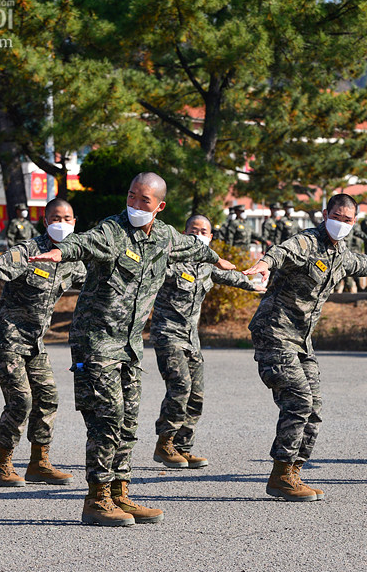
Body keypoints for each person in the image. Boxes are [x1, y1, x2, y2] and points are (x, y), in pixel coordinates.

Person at [29, 172, 235, 527]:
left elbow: (196, 247)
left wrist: (218, 260)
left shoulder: (167, 236)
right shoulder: (112, 231)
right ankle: (96, 499)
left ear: (160, 206)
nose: (136, 205)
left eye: (145, 200)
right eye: (132, 196)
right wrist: (59, 251)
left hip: (130, 346)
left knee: (128, 421)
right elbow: (84, 242)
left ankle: (119, 493)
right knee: (106, 418)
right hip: (96, 343)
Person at [243, 194, 367, 501]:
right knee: (299, 400)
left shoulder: (341, 254)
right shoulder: (307, 243)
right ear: (325, 213)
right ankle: (281, 473)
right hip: (274, 332)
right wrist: (264, 263)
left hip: (302, 340)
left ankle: (292, 473)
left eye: (347, 220)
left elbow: (359, 263)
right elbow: (283, 251)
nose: (340, 224)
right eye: (336, 216)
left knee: (314, 407)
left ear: (354, 223)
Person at [0, 199, 87, 487]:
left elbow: (96, 281)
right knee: (20, 401)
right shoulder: (27, 252)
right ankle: (1, 462)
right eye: (55, 218)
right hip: (6, 338)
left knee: (48, 396)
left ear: (75, 223)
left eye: (67, 218)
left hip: (34, 342)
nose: (61, 223)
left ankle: (39, 463)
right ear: (44, 221)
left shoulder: (73, 260)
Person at [150, 215, 264, 469]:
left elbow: (233, 277)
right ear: (184, 233)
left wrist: (254, 285)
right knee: (180, 386)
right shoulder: (172, 262)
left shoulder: (207, 267)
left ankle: (183, 447)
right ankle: (164, 443)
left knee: (197, 394)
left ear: (210, 238)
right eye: (193, 230)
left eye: (203, 231)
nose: (197, 235)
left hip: (192, 339)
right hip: (167, 333)